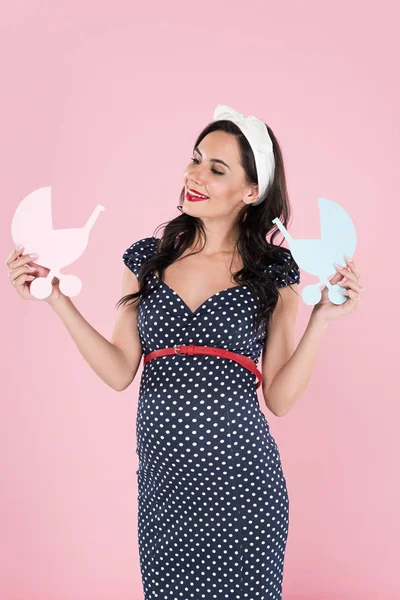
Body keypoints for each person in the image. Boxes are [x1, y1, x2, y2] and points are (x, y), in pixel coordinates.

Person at [6, 104, 363, 599]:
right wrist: (58, 300)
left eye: (217, 169)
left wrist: (321, 319)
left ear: (251, 191)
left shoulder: (276, 272)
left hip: (242, 488)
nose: (195, 175)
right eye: (196, 159)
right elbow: (117, 370)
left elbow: (279, 398)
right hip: (165, 489)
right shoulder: (146, 260)